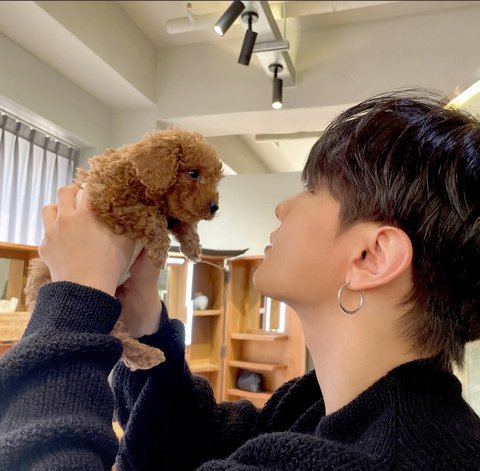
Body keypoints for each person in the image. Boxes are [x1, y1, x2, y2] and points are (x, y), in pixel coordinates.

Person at [0, 89, 479, 470]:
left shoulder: (374, 459)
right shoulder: (318, 403)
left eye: (312, 188)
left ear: (370, 256)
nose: (283, 207)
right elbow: (191, 445)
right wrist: (143, 314)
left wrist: (75, 296)